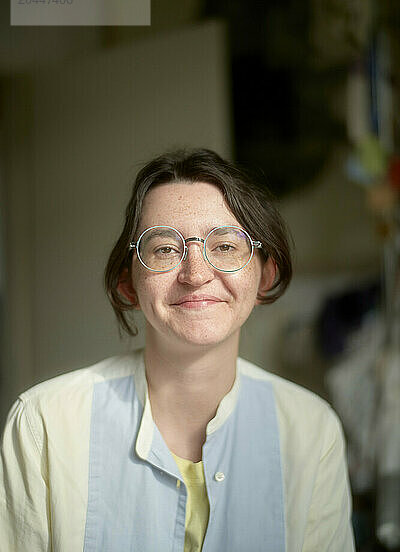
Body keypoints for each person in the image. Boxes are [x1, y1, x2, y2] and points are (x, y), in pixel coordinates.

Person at [0, 148, 355, 551]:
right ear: (128, 283)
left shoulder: (311, 430)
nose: (196, 274)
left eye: (224, 246)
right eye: (165, 249)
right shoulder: (45, 424)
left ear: (264, 276)